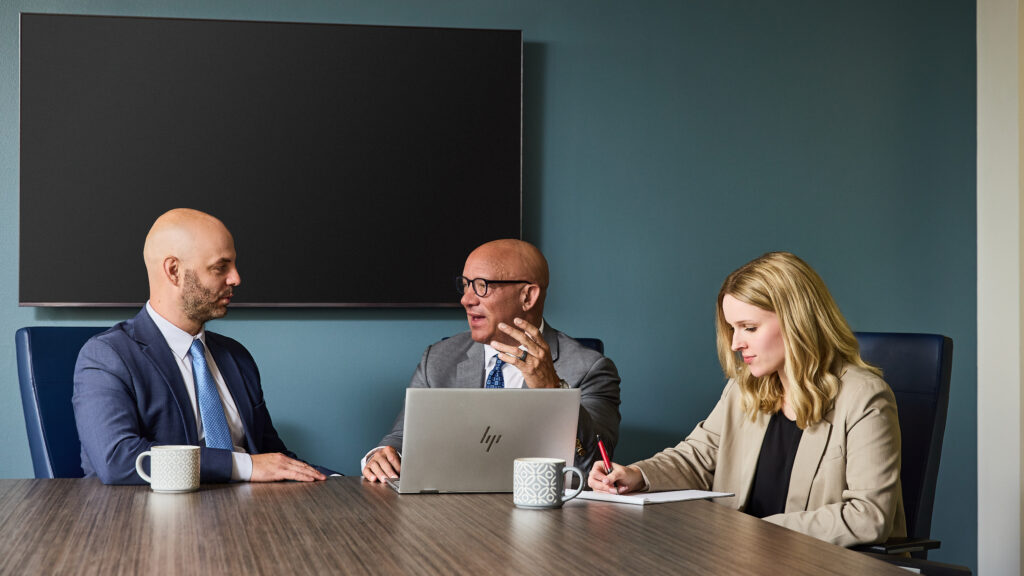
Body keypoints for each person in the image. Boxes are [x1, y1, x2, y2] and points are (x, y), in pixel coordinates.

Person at [589, 251, 905, 547]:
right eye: (732, 328)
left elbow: (868, 515)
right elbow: (697, 457)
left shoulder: (865, 397)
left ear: (797, 322)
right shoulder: (745, 388)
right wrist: (637, 475)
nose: (736, 343)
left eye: (749, 328)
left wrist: (759, 534)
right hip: (740, 559)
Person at [73, 208, 329, 485]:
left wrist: (339, 480)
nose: (236, 278)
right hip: (149, 522)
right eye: (220, 267)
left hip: (251, 516)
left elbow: (273, 458)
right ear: (174, 271)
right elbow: (118, 461)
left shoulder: (235, 356)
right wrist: (242, 466)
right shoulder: (106, 357)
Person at [362, 239, 621, 482]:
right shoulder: (438, 359)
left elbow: (595, 465)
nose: (466, 299)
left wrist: (552, 391)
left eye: (481, 286)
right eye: (465, 285)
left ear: (527, 296)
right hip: (451, 514)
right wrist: (382, 456)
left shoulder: (590, 368)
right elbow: (400, 439)